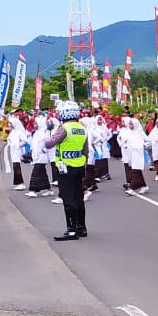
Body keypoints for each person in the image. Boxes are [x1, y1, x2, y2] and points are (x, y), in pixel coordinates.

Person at [45, 102, 88, 241]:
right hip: (79, 165)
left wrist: (49, 131)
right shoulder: (82, 128)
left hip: (65, 167)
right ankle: (81, 227)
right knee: (78, 197)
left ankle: (71, 230)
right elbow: (85, 150)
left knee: (68, 197)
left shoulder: (64, 128)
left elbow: (49, 143)